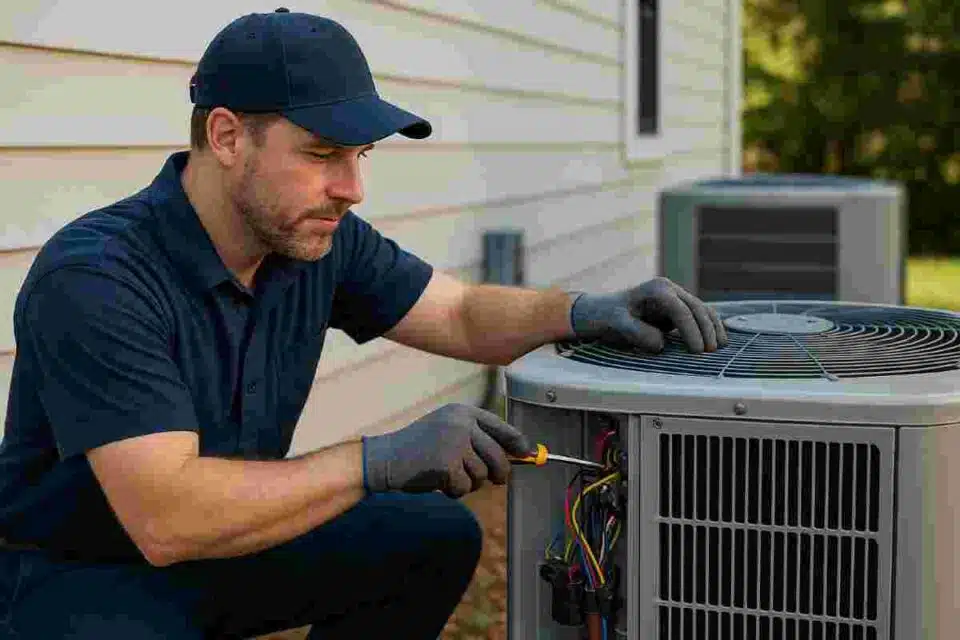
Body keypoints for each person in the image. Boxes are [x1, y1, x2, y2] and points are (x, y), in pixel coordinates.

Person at [0, 8, 727, 639]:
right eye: (321, 154)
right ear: (226, 137)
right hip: (83, 570)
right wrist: (374, 461)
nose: (351, 188)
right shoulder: (97, 276)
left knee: (431, 539)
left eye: (360, 155)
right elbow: (166, 519)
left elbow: (460, 312)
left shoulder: (313, 237)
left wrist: (579, 311)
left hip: (221, 549)